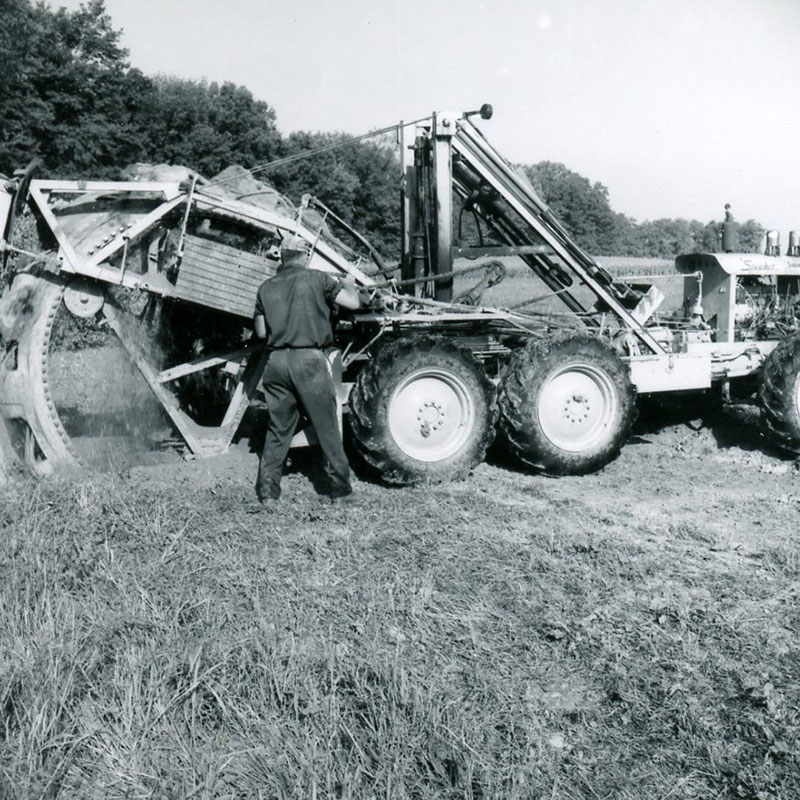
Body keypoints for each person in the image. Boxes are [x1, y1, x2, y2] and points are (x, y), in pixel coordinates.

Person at [253, 234, 360, 507]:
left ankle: (268, 494)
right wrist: (350, 285)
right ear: (305, 254)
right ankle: (340, 491)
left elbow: (261, 331)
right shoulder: (318, 278)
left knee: (278, 429)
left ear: (283, 256)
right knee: (326, 427)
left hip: (276, 361)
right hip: (309, 361)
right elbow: (353, 304)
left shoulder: (265, 287)